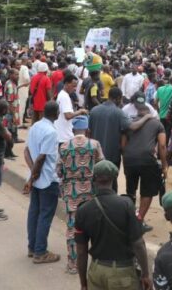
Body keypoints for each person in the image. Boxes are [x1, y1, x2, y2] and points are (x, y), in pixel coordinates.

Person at [74, 160, 152, 290]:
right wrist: (145, 274)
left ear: (94, 179)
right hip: (123, 272)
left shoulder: (83, 210)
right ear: (114, 178)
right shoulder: (127, 205)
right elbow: (138, 244)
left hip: (97, 271)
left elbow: (81, 251)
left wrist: (83, 283)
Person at [57, 114, 103, 275]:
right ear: (87, 130)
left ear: (73, 129)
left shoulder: (64, 146)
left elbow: (58, 171)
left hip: (71, 194)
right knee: (95, 228)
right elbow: (102, 168)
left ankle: (73, 264)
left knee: (73, 229)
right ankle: (97, 265)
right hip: (91, 194)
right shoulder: (94, 144)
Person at [122, 93, 166, 231]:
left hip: (130, 160)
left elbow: (122, 144)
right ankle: (139, 220)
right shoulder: (157, 124)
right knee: (147, 192)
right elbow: (162, 146)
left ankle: (129, 220)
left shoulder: (129, 122)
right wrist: (164, 165)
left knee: (131, 190)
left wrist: (127, 158)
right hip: (148, 160)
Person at [24, 100, 61, 264]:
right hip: (47, 179)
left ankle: (33, 247)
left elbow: (26, 151)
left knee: (34, 213)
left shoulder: (35, 126)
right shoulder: (51, 132)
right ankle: (40, 252)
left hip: (37, 178)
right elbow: (41, 157)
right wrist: (34, 175)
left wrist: (32, 176)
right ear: (55, 114)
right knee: (44, 215)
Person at [90, 87, 154, 178]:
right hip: (112, 156)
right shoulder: (118, 112)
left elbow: (88, 132)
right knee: (111, 181)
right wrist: (146, 117)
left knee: (96, 179)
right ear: (118, 98)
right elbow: (133, 126)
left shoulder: (94, 111)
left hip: (95, 154)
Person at [54, 74, 79, 144]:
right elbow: (68, 116)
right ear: (67, 84)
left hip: (62, 133)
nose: (75, 89)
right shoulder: (64, 97)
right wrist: (80, 112)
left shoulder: (63, 95)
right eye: (73, 86)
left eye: (76, 86)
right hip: (64, 136)